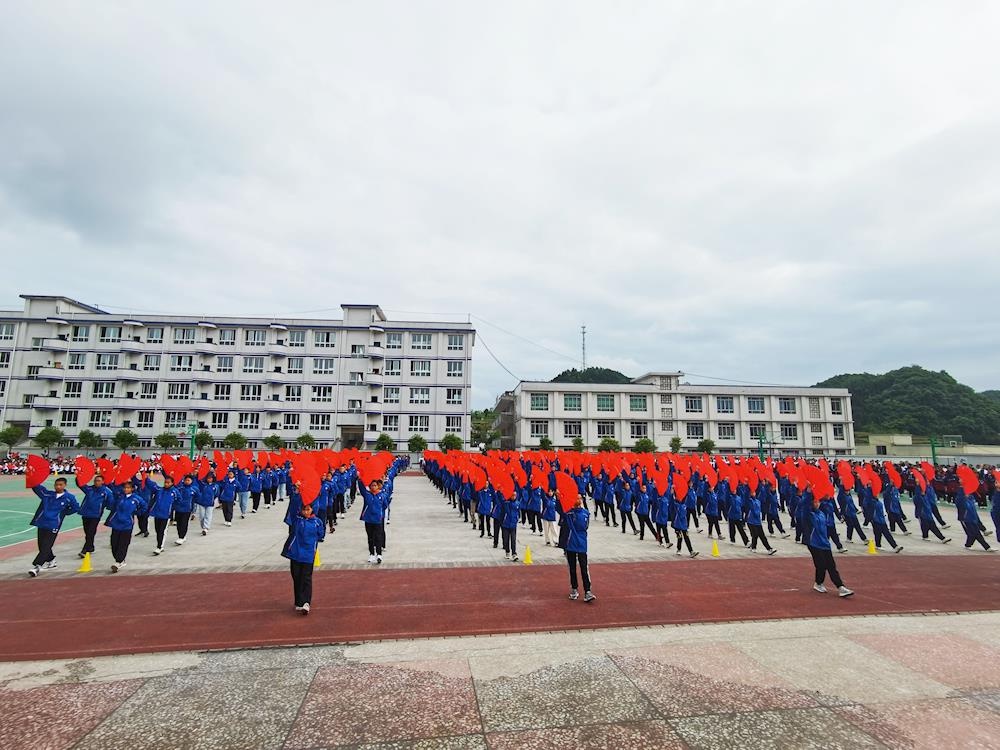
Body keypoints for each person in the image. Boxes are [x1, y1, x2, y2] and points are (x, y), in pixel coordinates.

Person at [28, 477, 80, 577]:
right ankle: (51, 561)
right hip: (42, 522)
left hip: (54, 524)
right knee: (41, 544)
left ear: (65, 485)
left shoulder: (69, 497)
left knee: (47, 545)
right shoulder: (47, 494)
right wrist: (32, 475)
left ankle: (37, 566)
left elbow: (75, 508)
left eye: (60, 485)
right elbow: (36, 487)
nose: (58, 487)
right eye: (56, 485)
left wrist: (63, 513)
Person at [282, 498, 326, 614]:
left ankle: (306, 602)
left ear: (312, 509)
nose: (306, 512)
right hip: (295, 553)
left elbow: (321, 534)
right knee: (296, 577)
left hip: (308, 554)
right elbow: (293, 508)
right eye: (304, 509)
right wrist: (296, 493)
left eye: (308, 509)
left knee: (306, 578)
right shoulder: (297, 520)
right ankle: (298, 601)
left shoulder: (317, 522)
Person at [805, 494, 853, 597]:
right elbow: (803, 506)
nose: (817, 504)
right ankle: (818, 583)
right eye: (815, 502)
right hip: (814, 543)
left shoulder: (822, 514)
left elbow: (831, 509)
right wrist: (808, 492)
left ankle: (840, 587)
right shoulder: (808, 514)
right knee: (821, 565)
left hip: (825, 543)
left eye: (818, 502)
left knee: (831, 566)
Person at [105, 480, 147, 573]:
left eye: (128, 488)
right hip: (116, 523)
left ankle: (119, 561)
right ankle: (119, 559)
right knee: (114, 543)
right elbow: (112, 488)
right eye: (125, 487)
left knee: (123, 543)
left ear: (132, 489)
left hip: (127, 524)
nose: (126, 489)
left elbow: (144, 507)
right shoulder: (119, 497)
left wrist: (136, 513)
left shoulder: (136, 499)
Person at [562, 494, 595, 602]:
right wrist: (560, 497)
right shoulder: (569, 513)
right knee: (572, 568)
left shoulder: (586, 513)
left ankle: (587, 591)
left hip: (582, 544)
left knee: (584, 568)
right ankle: (574, 588)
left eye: (579, 498)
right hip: (571, 543)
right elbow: (560, 508)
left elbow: (586, 527)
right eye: (576, 498)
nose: (578, 500)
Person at [76, 473, 112, 558]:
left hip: (95, 515)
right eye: (95, 480)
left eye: (99, 481)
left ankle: (85, 550)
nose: (96, 482)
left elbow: (110, 503)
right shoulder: (89, 489)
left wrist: (107, 507)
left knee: (90, 532)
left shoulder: (106, 492)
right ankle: (91, 547)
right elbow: (80, 484)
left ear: (103, 481)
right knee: (87, 532)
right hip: (85, 513)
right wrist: (78, 476)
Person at [358, 477, 389, 564]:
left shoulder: (382, 496)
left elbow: (385, 505)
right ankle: (371, 554)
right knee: (370, 538)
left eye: (375, 485)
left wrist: (379, 513)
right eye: (372, 485)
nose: (373, 487)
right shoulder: (367, 495)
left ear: (378, 487)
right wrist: (360, 479)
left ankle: (379, 555)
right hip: (368, 519)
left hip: (377, 520)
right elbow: (361, 488)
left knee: (378, 537)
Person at [149, 476, 180, 554]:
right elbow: (150, 485)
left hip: (166, 515)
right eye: (165, 482)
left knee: (162, 531)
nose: (166, 484)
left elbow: (179, 500)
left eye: (168, 483)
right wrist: (145, 478)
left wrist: (171, 508)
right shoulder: (159, 490)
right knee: (157, 530)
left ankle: (160, 546)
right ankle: (160, 544)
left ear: (172, 483)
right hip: (157, 513)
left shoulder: (174, 491)